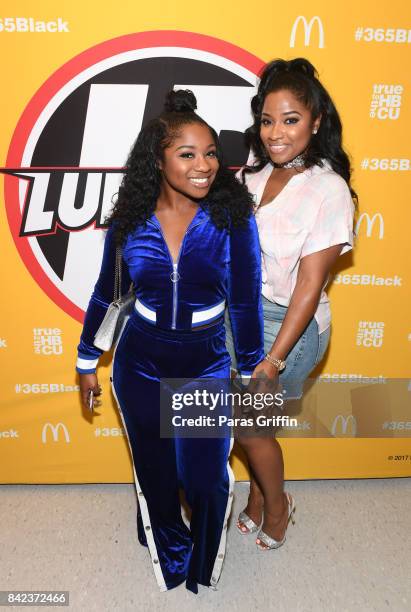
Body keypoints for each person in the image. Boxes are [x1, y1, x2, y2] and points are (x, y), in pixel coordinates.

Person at [75, 90, 265, 593]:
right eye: (187, 154)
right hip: (139, 362)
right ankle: (168, 549)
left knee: (203, 476)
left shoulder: (233, 219)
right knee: (156, 472)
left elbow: (245, 302)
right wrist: (86, 359)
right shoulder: (129, 223)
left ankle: (200, 559)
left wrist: (248, 371)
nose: (204, 165)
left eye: (209, 153)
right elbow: (107, 294)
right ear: (157, 161)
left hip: (204, 361)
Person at [225, 58, 356, 550]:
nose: (275, 133)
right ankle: (258, 498)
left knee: (250, 427)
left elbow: (309, 283)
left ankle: (277, 508)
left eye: (291, 119)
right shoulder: (253, 175)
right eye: (267, 120)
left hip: (291, 327)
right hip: (242, 315)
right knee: (242, 426)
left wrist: (273, 359)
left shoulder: (328, 189)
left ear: (316, 121)